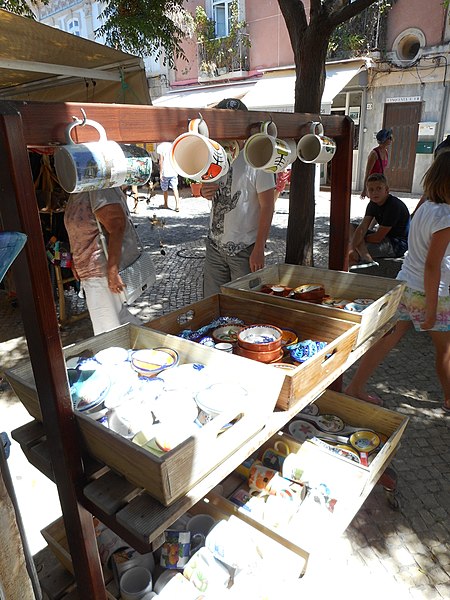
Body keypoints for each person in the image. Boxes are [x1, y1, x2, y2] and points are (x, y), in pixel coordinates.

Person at [345, 151, 450, 412]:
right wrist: (432, 307)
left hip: (406, 284)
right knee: (446, 350)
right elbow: (432, 265)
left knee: (387, 339)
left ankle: (355, 386)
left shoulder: (426, 207)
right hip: (428, 293)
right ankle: (449, 399)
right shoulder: (445, 218)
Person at [201, 98, 276, 297]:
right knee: (213, 301)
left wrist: (259, 248)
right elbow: (202, 185)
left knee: (244, 303)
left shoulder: (257, 156)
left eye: (232, 123)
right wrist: (203, 191)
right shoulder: (215, 153)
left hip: (244, 248)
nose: (227, 129)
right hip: (215, 244)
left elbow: (268, 205)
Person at [64, 187, 140, 335]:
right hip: (91, 271)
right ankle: (151, 349)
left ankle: (149, 351)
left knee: (107, 332)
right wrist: (75, 257)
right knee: (120, 320)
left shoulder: (97, 187)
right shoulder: (78, 189)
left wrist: (112, 270)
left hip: (100, 272)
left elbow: (117, 225)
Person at [349, 173, 410, 269]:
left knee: (350, 248)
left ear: (386, 190)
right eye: (371, 190)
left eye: (379, 188)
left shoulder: (393, 206)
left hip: (396, 244)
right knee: (349, 227)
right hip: (384, 238)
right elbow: (363, 227)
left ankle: (365, 260)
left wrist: (356, 241)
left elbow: (377, 238)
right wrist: (354, 243)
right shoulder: (372, 204)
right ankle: (367, 259)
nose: (374, 193)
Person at [360, 128, 393, 199]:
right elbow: (367, 173)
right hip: (373, 184)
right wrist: (365, 189)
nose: (391, 140)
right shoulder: (374, 154)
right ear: (384, 140)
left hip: (380, 183)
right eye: (389, 138)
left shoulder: (386, 152)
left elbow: (383, 170)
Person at [156, 141, 180, 212]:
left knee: (164, 189)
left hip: (165, 172)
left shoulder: (160, 146)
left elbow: (161, 161)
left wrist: (160, 172)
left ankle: (166, 204)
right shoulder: (173, 144)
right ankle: (177, 205)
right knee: (175, 188)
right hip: (173, 171)